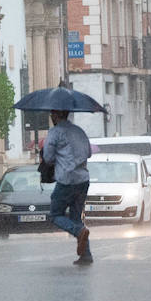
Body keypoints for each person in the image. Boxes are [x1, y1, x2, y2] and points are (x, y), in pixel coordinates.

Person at [42, 108, 93, 265]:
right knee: (76, 217)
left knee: (55, 215)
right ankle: (86, 255)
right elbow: (89, 153)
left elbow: (48, 157)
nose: (51, 117)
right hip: (83, 180)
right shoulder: (79, 131)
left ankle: (79, 232)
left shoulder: (55, 133)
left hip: (66, 180)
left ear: (56, 115)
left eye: (52, 114)